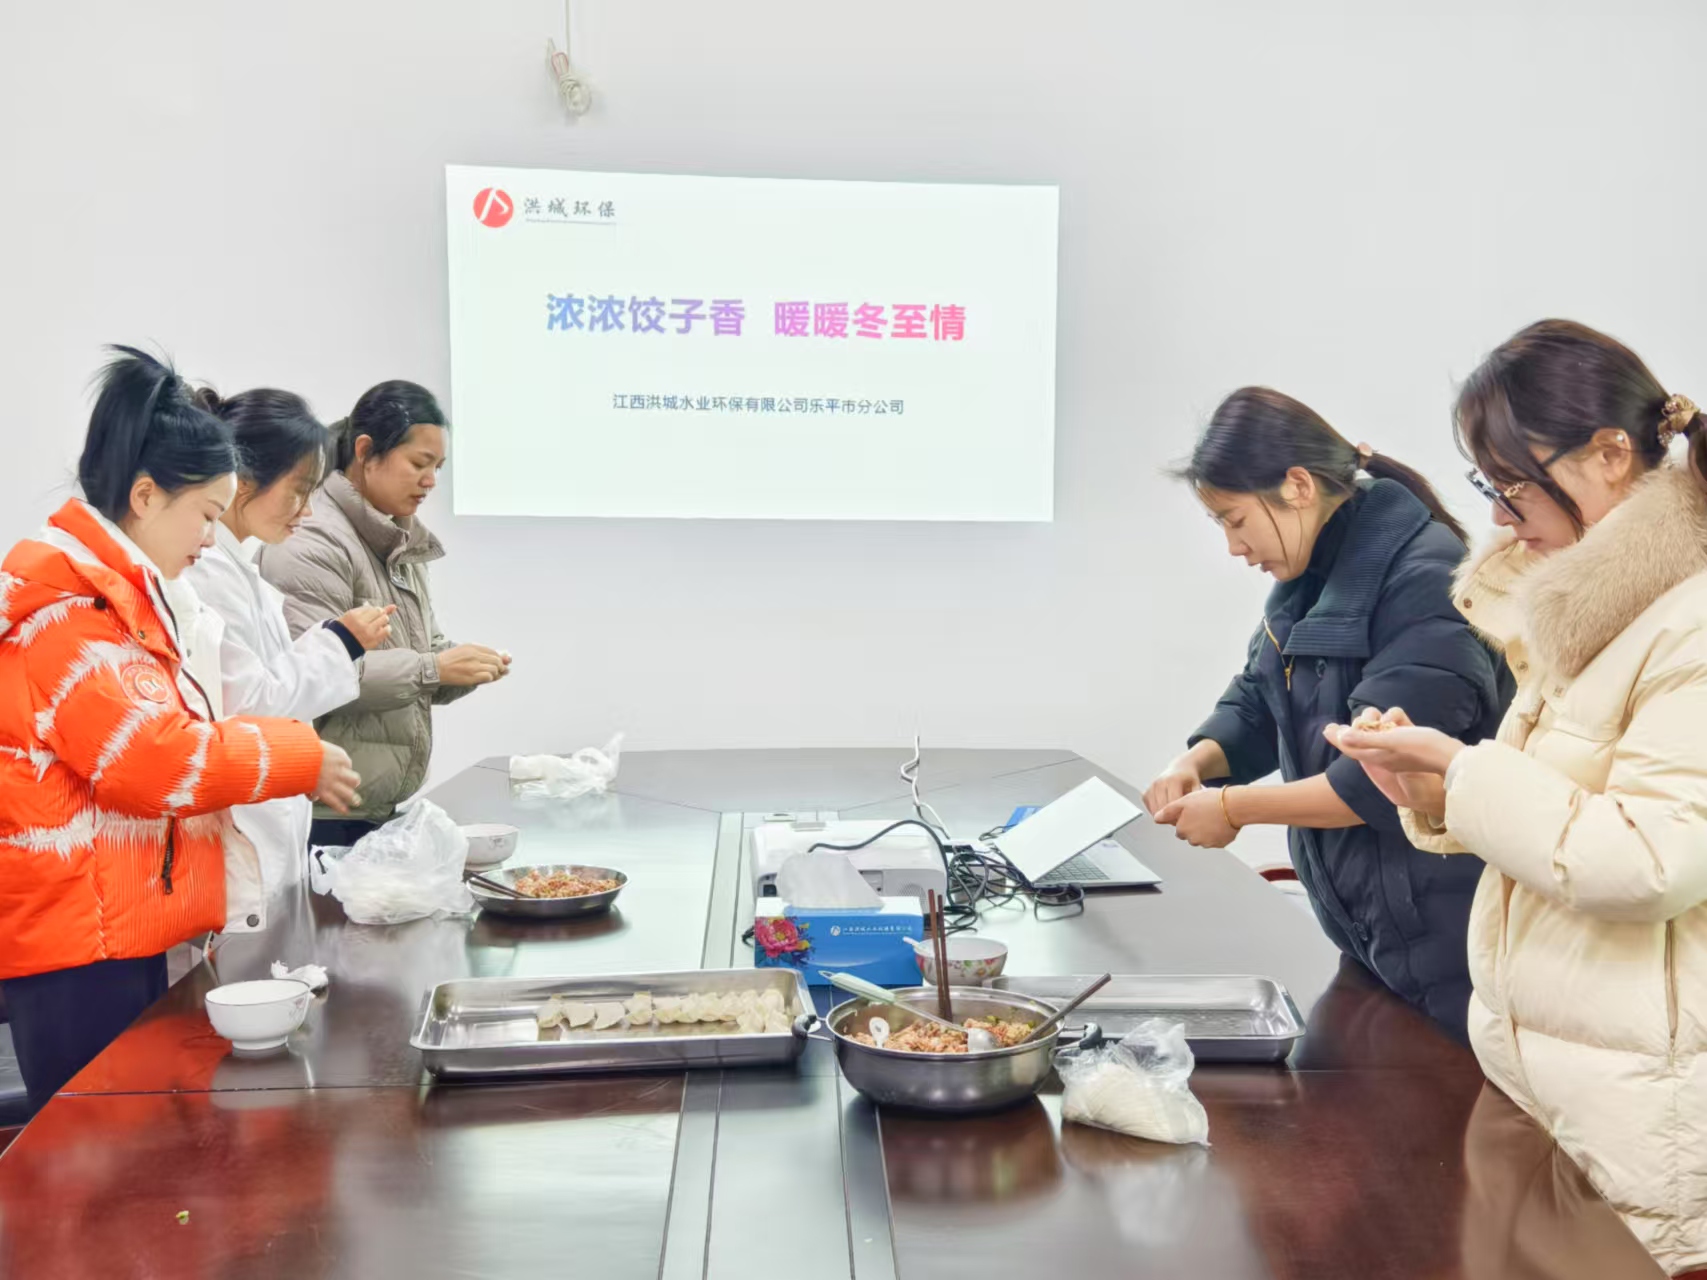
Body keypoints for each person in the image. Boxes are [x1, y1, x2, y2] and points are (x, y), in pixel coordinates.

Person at [1328, 320, 1707, 1274]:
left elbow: (1648, 861)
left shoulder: (1689, 622)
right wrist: (1434, 789)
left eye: (1514, 486)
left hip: (1639, 1118)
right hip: (1545, 1088)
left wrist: (1464, 773)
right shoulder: (1588, 608)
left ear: (1610, 454)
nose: (1500, 519)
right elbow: (1556, 812)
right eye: (1486, 486)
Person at [0, 348, 361, 1111]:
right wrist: (297, 756)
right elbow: (157, 761)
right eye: (205, 515)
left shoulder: (114, 603)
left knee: (138, 1148)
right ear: (145, 496)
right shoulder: (69, 615)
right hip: (78, 948)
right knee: (94, 1157)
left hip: (115, 930)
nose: (208, 540)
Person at [1143, 387, 1512, 1036]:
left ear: (1297, 486)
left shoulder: (1425, 580)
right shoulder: (1310, 578)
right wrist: (1195, 762)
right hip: (1378, 936)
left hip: (1452, 942)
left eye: (1234, 519)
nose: (1233, 547)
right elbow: (1261, 700)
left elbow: (1379, 778)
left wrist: (1233, 809)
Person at [257, 380, 509, 847]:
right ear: (365, 451)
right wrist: (433, 668)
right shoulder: (312, 539)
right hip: (319, 814)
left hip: (373, 810)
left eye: (438, 467)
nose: (431, 481)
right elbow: (308, 678)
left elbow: (423, 651)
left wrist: (466, 667)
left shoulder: (397, 538)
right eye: (419, 463)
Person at [182, 386, 395, 911]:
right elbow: (252, 703)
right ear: (243, 481)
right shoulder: (208, 573)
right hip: (239, 840)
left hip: (269, 832)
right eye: (298, 492)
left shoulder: (239, 569)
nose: (306, 511)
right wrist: (341, 640)